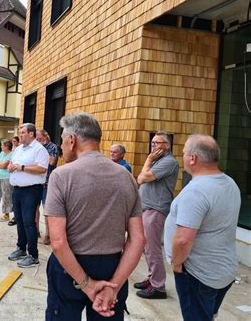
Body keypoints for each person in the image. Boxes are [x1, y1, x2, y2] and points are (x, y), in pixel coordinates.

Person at [45, 112, 145, 320]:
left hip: (68, 267)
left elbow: (57, 241)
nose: (61, 146)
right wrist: (114, 287)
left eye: (63, 139)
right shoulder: (125, 177)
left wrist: (86, 285)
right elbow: (138, 239)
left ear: (72, 140)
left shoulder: (61, 176)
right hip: (113, 267)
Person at [164, 135, 240, 321]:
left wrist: (176, 266)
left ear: (193, 158)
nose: (182, 157)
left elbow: (183, 239)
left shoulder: (196, 191)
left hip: (198, 275)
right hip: (223, 271)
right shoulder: (230, 183)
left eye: (183, 153)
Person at [135, 132, 179, 299]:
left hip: (156, 210)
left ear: (166, 146)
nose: (153, 146)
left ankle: (158, 287)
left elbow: (142, 178)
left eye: (157, 143)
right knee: (147, 247)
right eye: (152, 143)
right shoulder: (158, 161)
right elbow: (141, 177)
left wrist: (147, 160)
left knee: (152, 249)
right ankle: (152, 278)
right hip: (148, 208)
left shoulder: (168, 162)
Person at [7, 123, 49, 268]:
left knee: (29, 222)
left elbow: (42, 169)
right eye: (20, 132)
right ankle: (21, 249)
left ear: (31, 134)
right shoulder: (18, 149)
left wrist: (22, 167)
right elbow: (12, 163)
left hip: (31, 191)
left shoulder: (39, 150)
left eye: (23, 132)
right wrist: (10, 167)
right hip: (17, 189)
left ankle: (33, 255)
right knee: (19, 220)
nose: (21, 134)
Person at [35, 129, 59, 245]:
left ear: (45, 137)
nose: (37, 140)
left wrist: (41, 150)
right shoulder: (34, 147)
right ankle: (36, 230)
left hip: (48, 182)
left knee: (46, 210)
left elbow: (52, 162)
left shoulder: (52, 147)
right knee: (34, 208)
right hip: (35, 181)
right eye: (36, 139)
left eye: (39, 138)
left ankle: (48, 234)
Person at [0, 139, 14, 222]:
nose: (1, 146)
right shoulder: (1, 153)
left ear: (6, 146)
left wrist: (0, 164)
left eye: (2, 145)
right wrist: (0, 165)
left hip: (7, 178)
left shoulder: (12, 154)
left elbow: (4, 165)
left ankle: (6, 214)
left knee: (6, 195)